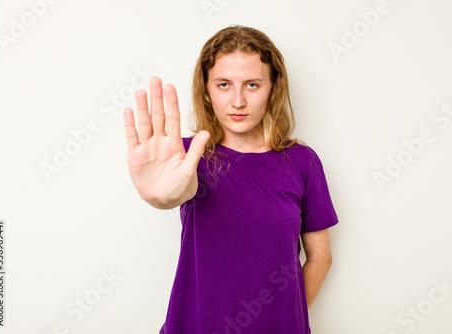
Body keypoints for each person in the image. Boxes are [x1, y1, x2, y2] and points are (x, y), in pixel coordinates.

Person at [123, 25, 339, 334]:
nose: (238, 101)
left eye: (252, 85)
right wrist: (159, 197)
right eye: (224, 84)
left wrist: (285, 321)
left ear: (273, 87)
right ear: (207, 90)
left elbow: (321, 257)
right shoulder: (184, 156)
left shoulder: (302, 162)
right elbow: (168, 194)